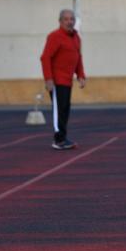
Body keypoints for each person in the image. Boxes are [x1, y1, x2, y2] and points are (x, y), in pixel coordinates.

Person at [40, 9, 86, 150]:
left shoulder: (76, 38)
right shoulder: (55, 36)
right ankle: (59, 140)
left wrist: (81, 75)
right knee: (59, 110)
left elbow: (78, 58)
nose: (69, 22)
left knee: (65, 109)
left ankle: (63, 137)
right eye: (66, 19)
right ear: (60, 21)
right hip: (56, 81)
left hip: (67, 81)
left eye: (71, 19)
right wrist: (48, 79)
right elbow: (45, 57)